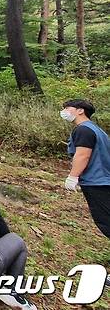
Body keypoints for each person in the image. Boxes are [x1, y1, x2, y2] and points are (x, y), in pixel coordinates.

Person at [61, 99, 110, 282]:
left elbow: (83, 154)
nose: (64, 111)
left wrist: (73, 176)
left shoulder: (83, 129)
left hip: (97, 182)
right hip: (104, 179)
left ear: (80, 110)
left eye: (67, 108)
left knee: (107, 223)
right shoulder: (97, 130)